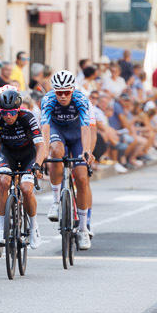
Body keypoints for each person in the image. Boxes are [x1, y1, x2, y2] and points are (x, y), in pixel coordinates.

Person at [0, 87, 45, 250]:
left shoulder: (28, 117)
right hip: (7, 154)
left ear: (18, 109)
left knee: (26, 188)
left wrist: (38, 164)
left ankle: (33, 228)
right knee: (3, 181)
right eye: (4, 112)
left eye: (11, 112)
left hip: (28, 156)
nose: (8, 116)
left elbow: (40, 145)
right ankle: (2, 229)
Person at [41, 70, 94, 250]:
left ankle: (83, 229)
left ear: (72, 89)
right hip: (58, 131)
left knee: (81, 176)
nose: (63, 96)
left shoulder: (81, 98)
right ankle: (56, 201)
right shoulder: (48, 100)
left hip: (77, 134)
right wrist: (43, 152)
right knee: (55, 152)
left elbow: (86, 128)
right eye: (59, 92)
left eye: (66, 92)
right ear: (53, 91)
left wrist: (86, 150)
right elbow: (45, 128)